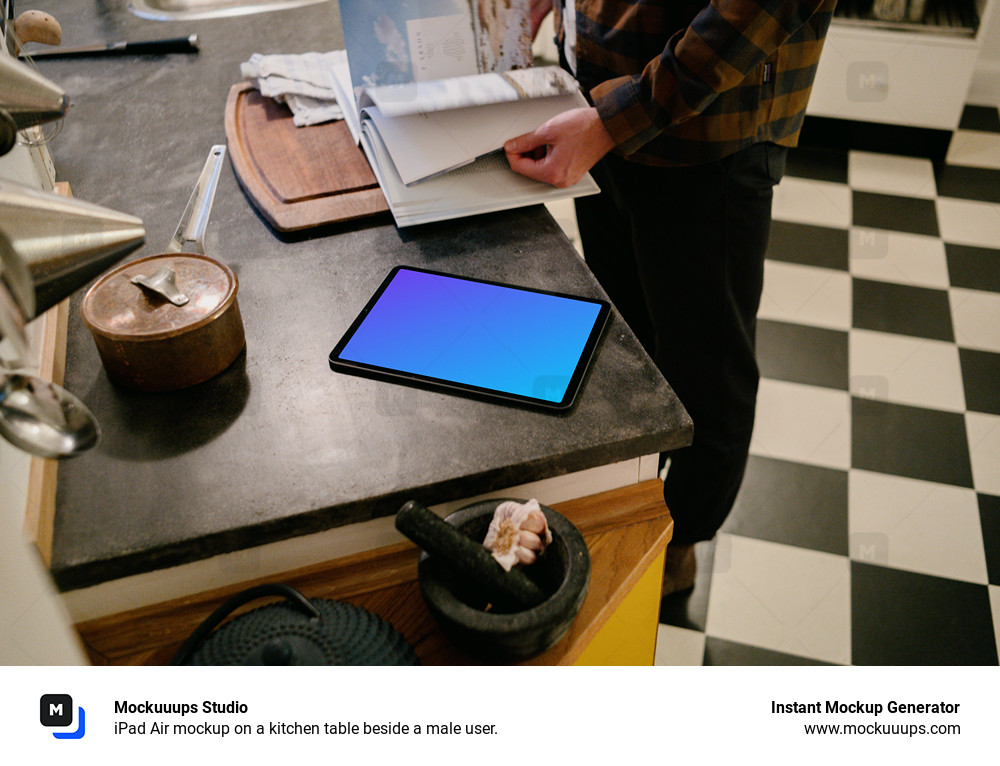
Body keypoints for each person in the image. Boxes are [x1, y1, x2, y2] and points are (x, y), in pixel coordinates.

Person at [504, 0, 838, 594]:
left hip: (709, 139)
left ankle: (679, 540)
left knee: (707, 379)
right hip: (599, 105)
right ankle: (627, 503)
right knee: (624, 346)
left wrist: (612, 121)